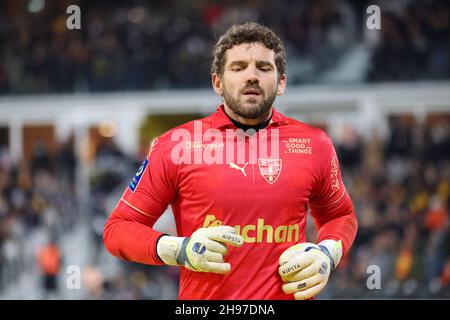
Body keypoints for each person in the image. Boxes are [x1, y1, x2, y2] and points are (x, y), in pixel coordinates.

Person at [103, 22, 358, 300]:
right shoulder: (177, 145)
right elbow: (117, 230)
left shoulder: (314, 144)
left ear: (281, 81)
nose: (252, 77)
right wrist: (180, 250)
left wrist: (327, 253)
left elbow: (340, 216)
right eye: (238, 68)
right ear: (217, 82)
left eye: (263, 67)